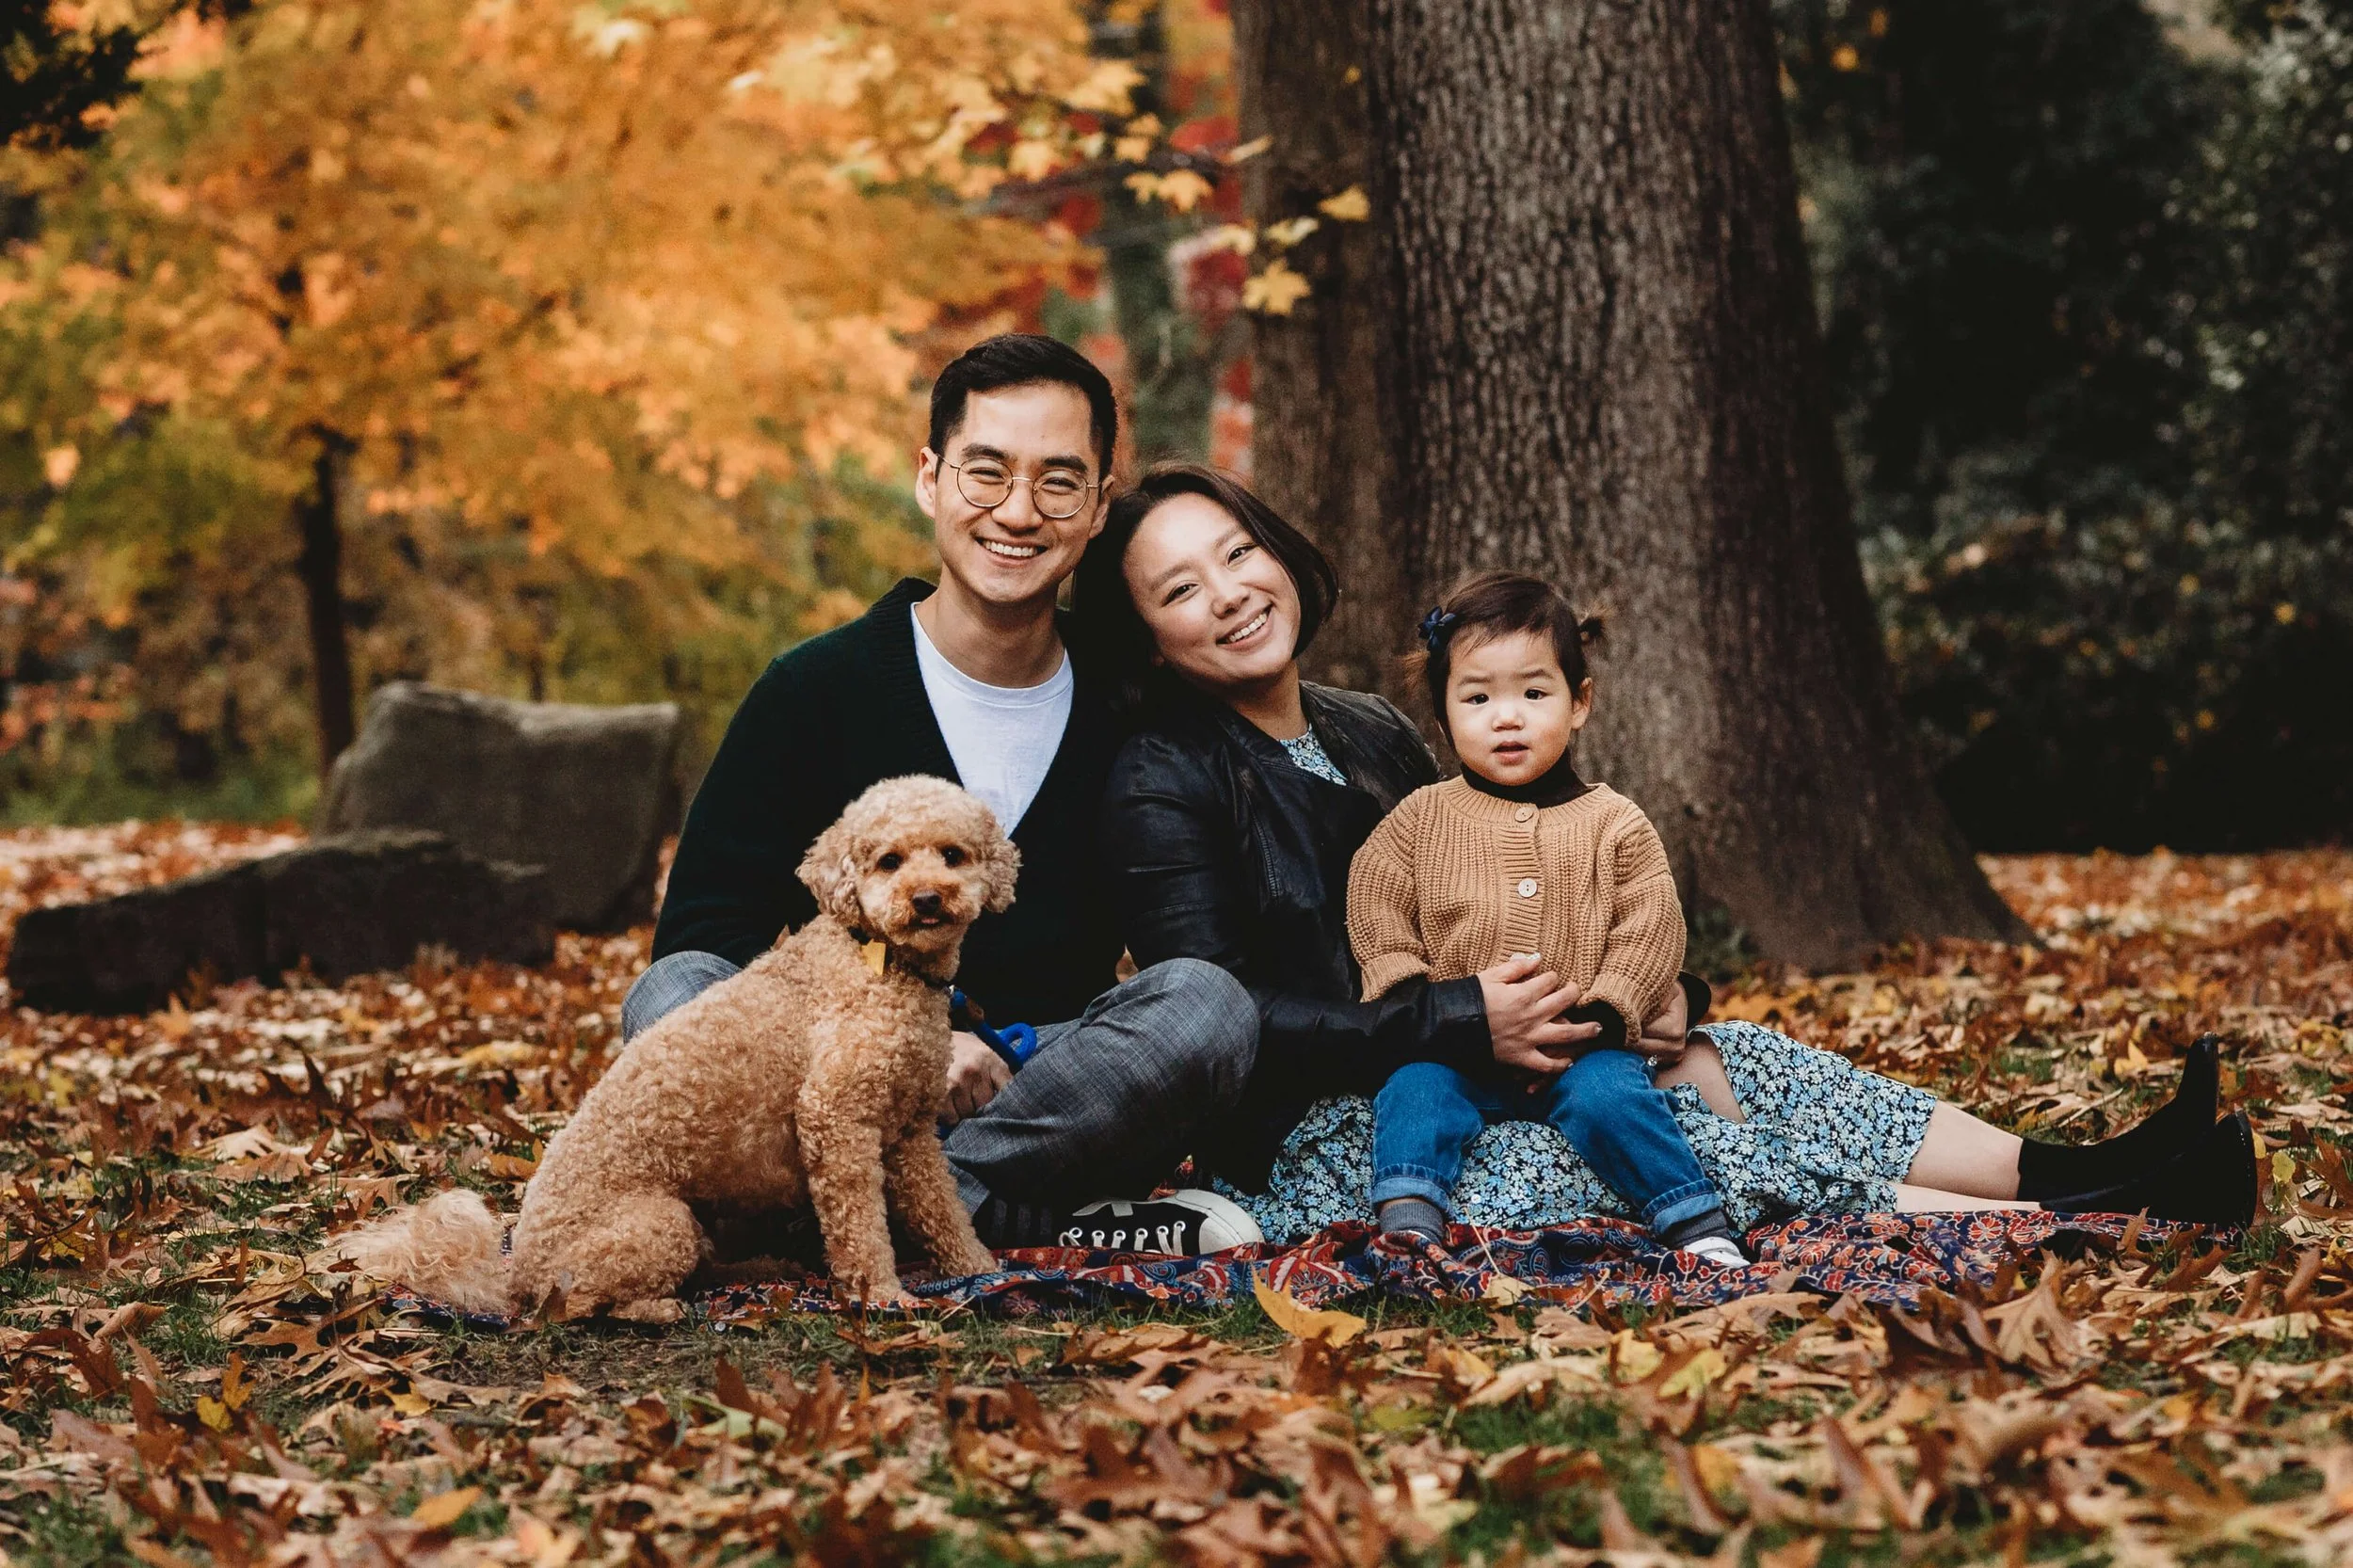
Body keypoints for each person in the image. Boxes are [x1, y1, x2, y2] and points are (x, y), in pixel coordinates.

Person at [1075, 461, 2257, 1243]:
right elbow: (1220, 1021)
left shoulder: (1372, 727)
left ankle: (2084, 1167)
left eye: (1238, 554)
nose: (1229, 594)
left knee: (1739, 1056)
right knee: (1674, 1143)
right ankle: (2105, 1220)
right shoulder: (1160, 776)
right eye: (1180, 588)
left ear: (1278, 551)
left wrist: (1636, 999)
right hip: (1345, 1125)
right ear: (1153, 642)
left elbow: (1490, 882)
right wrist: (1451, 1024)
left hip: (1507, 1053)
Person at [629, 335, 1264, 1258]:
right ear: (929, 478)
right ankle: (990, 1219)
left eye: (1057, 481)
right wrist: (903, 1046)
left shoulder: (1136, 700)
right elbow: (702, 945)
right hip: (836, 1072)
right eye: (986, 473)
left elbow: (1191, 956)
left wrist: (1001, 1053)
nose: (1017, 511)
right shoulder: (816, 689)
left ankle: (851, 1225)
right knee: (671, 992)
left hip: (1037, 1086)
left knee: (1207, 1004)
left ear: (1095, 507)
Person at [1348, 572, 1747, 1265]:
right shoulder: (1419, 821)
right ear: (1443, 717)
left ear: (1579, 702)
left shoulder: (1614, 821)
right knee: (1414, 1093)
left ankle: (1694, 1221)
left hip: (1582, 1050)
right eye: (1477, 698)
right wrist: (1413, 992)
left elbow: (1650, 926)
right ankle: (1410, 1221)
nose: (1507, 717)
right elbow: (1376, 902)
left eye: (1534, 694)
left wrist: (1603, 1012)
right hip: (1456, 1045)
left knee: (1614, 1103)